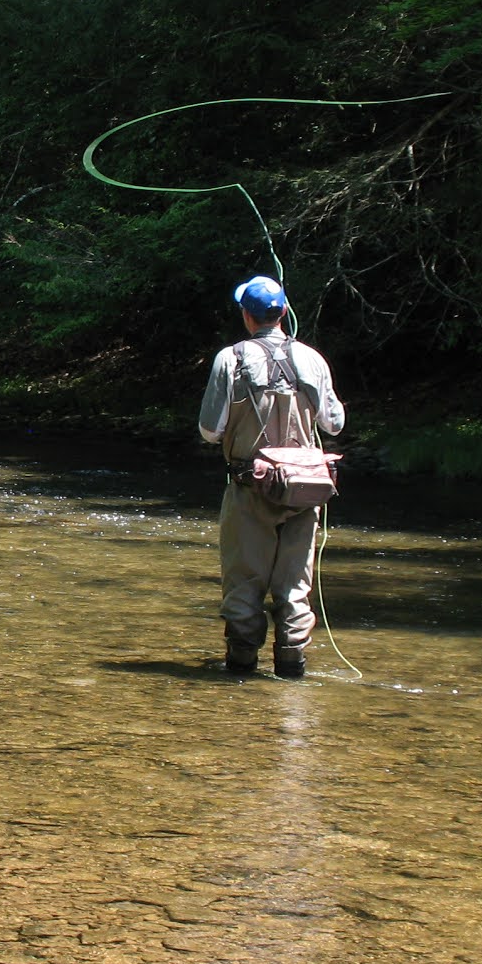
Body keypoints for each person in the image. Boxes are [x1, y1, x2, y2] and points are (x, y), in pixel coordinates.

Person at [196, 276, 345, 677]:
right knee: (295, 587)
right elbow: (334, 423)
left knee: (244, 583)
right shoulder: (313, 359)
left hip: (250, 488)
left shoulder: (231, 358)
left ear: (247, 315)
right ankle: (291, 673)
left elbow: (210, 430)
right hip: (305, 492)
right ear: (282, 313)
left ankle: (241, 671)